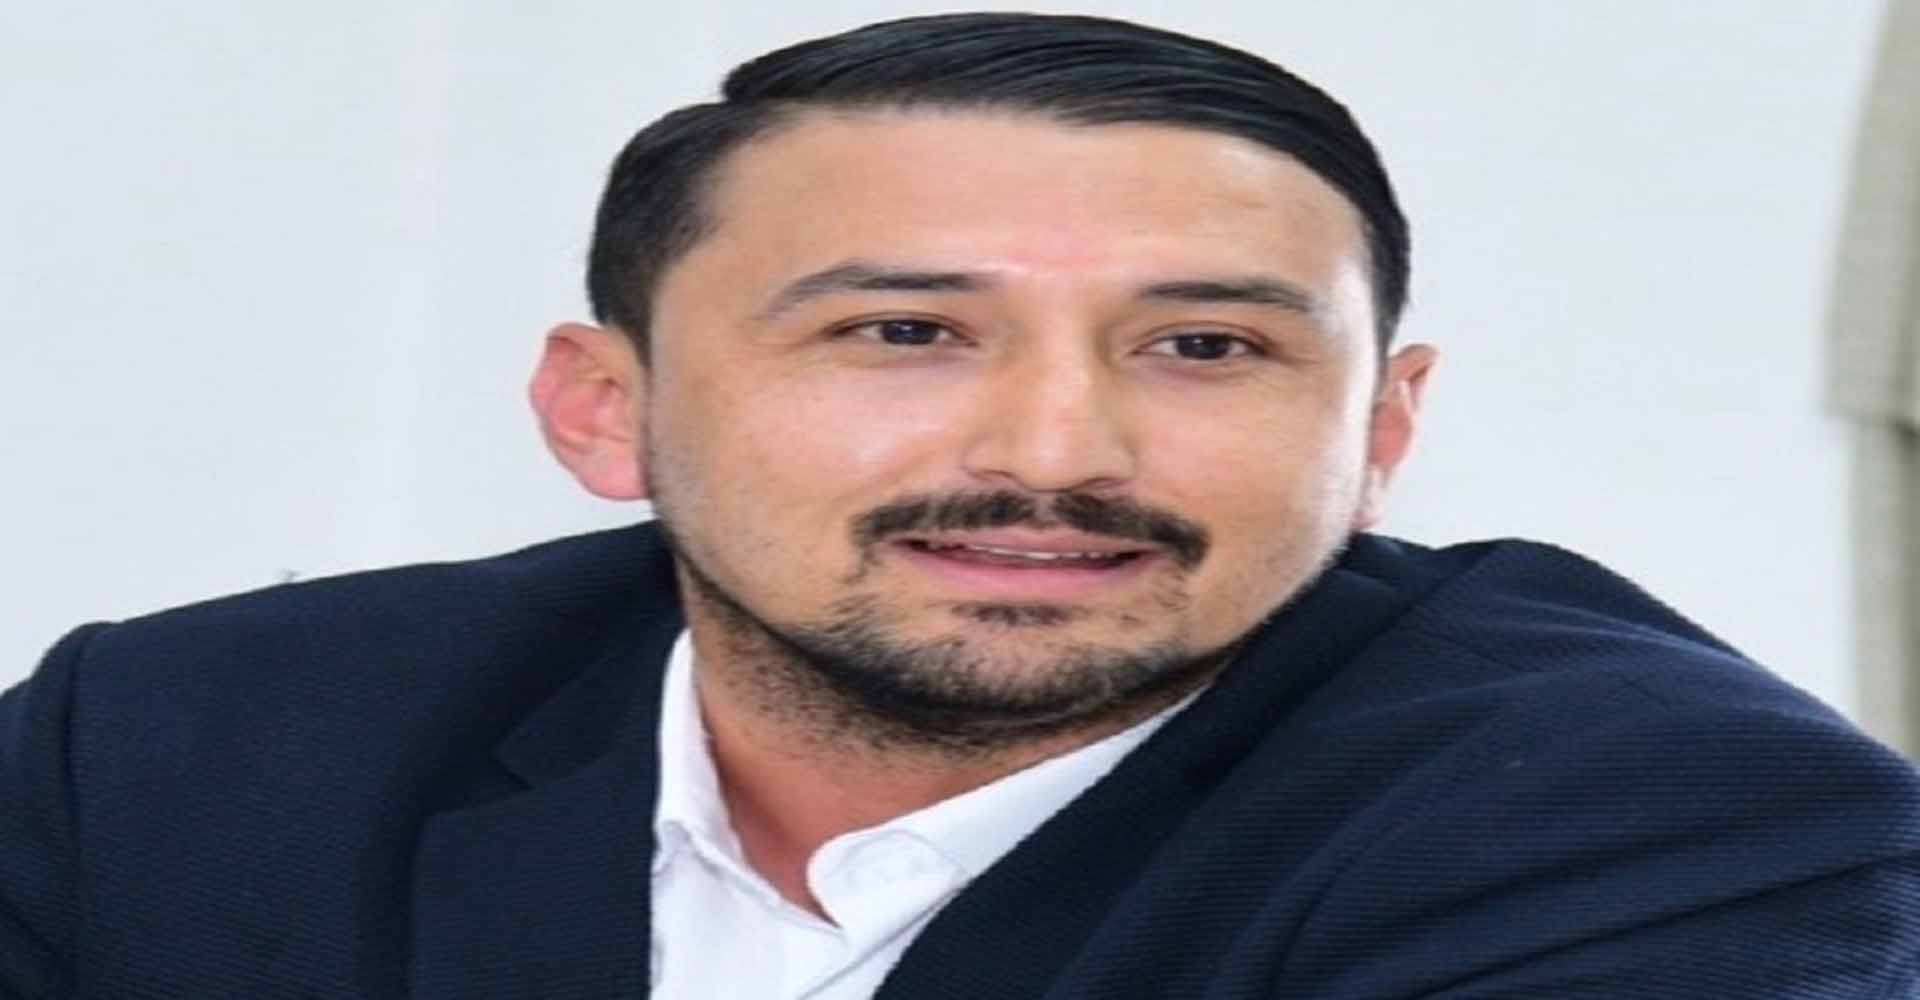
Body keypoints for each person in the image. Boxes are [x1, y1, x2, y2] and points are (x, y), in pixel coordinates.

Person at [3, 11, 1916, 999]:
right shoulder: (173, 748)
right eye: (905, 332)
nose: (1059, 449)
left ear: (1380, 434)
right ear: (606, 408)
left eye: (1206, 348)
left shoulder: (1668, 827)